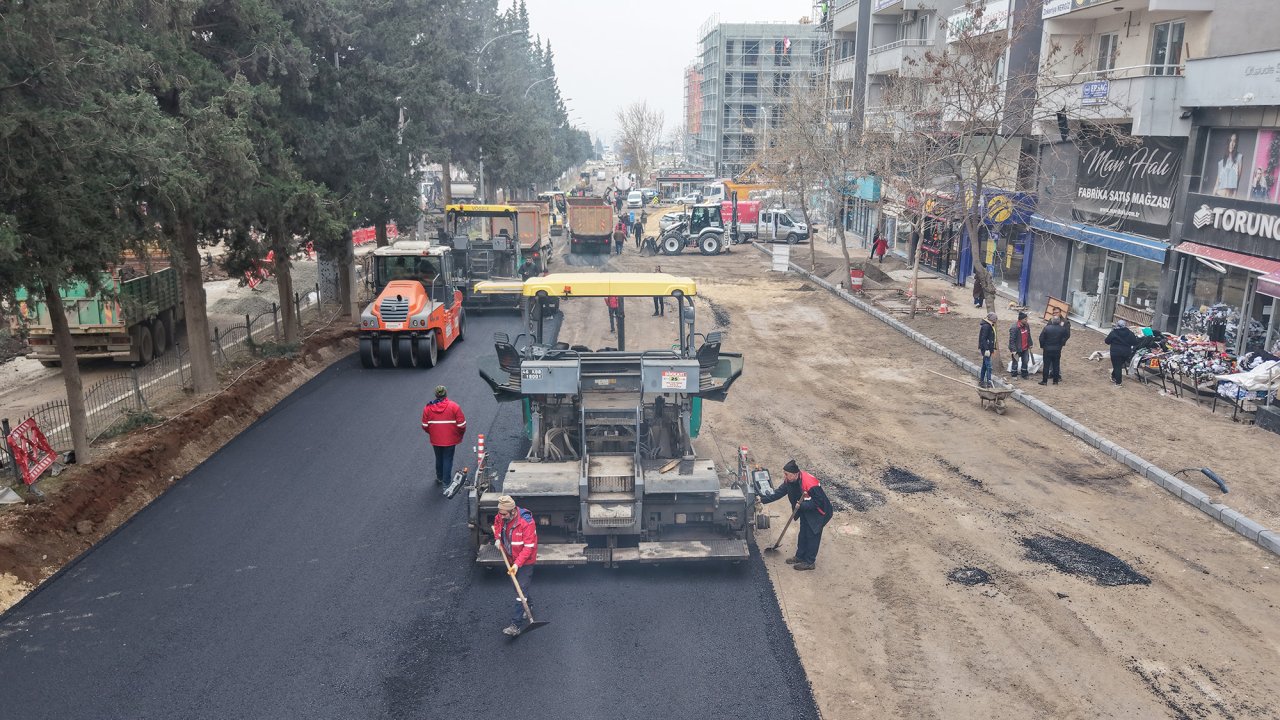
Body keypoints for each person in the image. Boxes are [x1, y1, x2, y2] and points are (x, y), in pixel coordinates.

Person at [758, 460, 833, 570]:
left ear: (794, 474)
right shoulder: (790, 480)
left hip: (819, 513)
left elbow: (819, 502)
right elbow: (779, 493)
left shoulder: (810, 483)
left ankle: (809, 562)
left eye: (786, 474)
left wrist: (802, 506)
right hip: (806, 511)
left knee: (812, 536)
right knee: (803, 534)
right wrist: (762, 500)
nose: (785, 476)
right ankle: (800, 556)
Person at [493, 495, 538, 636]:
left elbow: (528, 547)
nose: (501, 516)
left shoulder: (526, 522)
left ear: (513, 511)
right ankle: (529, 605)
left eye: (504, 514)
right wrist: (497, 540)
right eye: (500, 514)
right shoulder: (501, 516)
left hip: (526, 560)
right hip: (511, 557)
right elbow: (497, 527)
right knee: (517, 586)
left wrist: (518, 564)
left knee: (520, 590)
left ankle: (515, 625)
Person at [421, 385, 467, 486]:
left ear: (436, 395)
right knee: (447, 459)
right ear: (446, 394)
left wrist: (433, 433)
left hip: (436, 439)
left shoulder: (428, 408)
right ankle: (446, 482)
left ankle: (439, 477)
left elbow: (424, 425)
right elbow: (462, 425)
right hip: (450, 440)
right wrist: (458, 434)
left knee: (439, 458)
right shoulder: (454, 406)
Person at [1104, 319, 1139, 386]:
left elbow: (1107, 341)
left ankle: (1118, 383)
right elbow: (1135, 342)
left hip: (1115, 352)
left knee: (1117, 367)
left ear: (1117, 325)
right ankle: (1113, 377)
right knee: (1118, 366)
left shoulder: (1114, 332)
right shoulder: (1130, 333)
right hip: (1126, 353)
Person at [1038, 316, 1069, 385]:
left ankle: (1044, 381)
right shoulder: (1062, 329)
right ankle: (1055, 381)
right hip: (1057, 349)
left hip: (1047, 349)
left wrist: (1042, 346)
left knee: (1046, 366)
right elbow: (1065, 337)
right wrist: (1061, 344)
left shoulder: (1047, 328)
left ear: (1052, 321)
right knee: (1056, 365)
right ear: (1059, 322)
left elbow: (1041, 338)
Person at [1213, 132, 1242, 198]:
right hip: (1218, 195)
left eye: (1234, 141)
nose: (1231, 144)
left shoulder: (1239, 158)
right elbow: (1217, 184)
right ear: (1227, 143)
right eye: (1230, 141)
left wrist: (1233, 199)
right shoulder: (1221, 162)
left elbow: (1237, 184)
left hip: (1229, 197)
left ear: (1236, 144)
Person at [1007, 312, 1033, 379]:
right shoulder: (1014, 327)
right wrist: (1013, 350)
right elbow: (1012, 340)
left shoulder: (1027, 325)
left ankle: (1024, 374)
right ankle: (1014, 375)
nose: (1026, 320)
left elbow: (1029, 335)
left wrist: (1030, 344)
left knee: (1025, 361)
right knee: (1015, 362)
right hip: (1017, 349)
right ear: (1020, 320)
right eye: (1025, 319)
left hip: (1025, 348)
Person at [978, 312, 998, 388]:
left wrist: (992, 348)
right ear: (992, 319)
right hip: (986, 349)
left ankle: (981, 381)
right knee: (989, 366)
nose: (996, 320)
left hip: (988, 349)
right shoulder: (986, 326)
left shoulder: (989, 325)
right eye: (996, 318)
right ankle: (989, 382)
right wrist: (987, 349)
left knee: (984, 366)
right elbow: (983, 338)